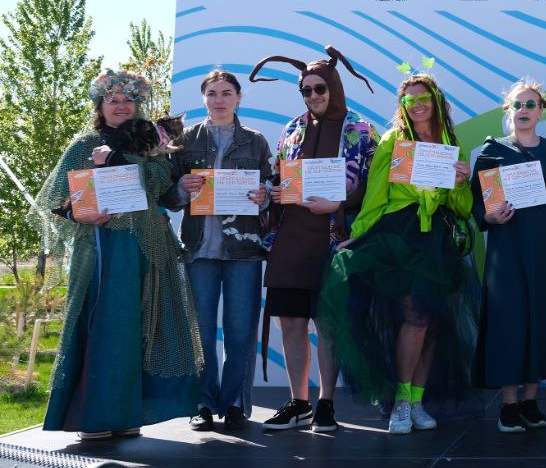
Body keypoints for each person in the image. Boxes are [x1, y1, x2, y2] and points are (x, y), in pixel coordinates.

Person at [34, 69, 201, 440]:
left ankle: (127, 415)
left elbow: (159, 185)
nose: (122, 106)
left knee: (141, 328)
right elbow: (57, 198)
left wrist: (115, 161)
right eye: (113, 100)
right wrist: (79, 214)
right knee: (106, 325)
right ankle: (94, 416)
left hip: (147, 247)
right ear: (100, 105)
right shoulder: (84, 144)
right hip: (101, 248)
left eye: (129, 100)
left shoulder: (150, 143)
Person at [319, 72, 478, 434]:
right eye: (410, 100)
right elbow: (376, 195)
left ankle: (417, 401)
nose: (418, 105)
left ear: (436, 102)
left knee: (433, 320)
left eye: (424, 98)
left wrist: (459, 183)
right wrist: (358, 237)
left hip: (436, 239)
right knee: (416, 317)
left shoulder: (449, 141)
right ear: (402, 105)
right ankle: (401, 403)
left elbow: (462, 208)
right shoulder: (394, 141)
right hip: (398, 237)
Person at [250, 46, 378, 432]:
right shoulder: (292, 129)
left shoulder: (361, 129)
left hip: (334, 240)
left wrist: (340, 205)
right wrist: (272, 194)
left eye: (320, 88)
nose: (313, 96)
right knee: (291, 323)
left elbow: (375, 186)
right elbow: (280, 178)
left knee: (328, 325)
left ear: (334, 87)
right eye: (305, 90)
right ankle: (299, 402)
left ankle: (326, 402)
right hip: (290, 239)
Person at [162, 69, 273, 431]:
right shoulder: (184, 142)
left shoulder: (256, 142)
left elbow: (271, 192)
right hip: (198, 250)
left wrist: (264, 197)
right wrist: (183, 187)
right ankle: (203, 403)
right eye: (212, 93)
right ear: (203, 98)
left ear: (239, 98)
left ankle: (235, 403)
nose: (219, 99)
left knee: (241, 329)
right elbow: (169, 197)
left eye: (226, 93)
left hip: (244, 250)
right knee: (201, 331)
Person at [471, 79, 546, 433]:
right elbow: (478, 203)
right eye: (517, 104)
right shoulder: (492, 151)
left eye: (531, 104)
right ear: (508, 110)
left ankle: (531, 401)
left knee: (542, 320)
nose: (524, 110)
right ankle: (509, 404)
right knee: (509, 324)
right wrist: (488, 218)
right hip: (508, 248)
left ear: (541, 110)